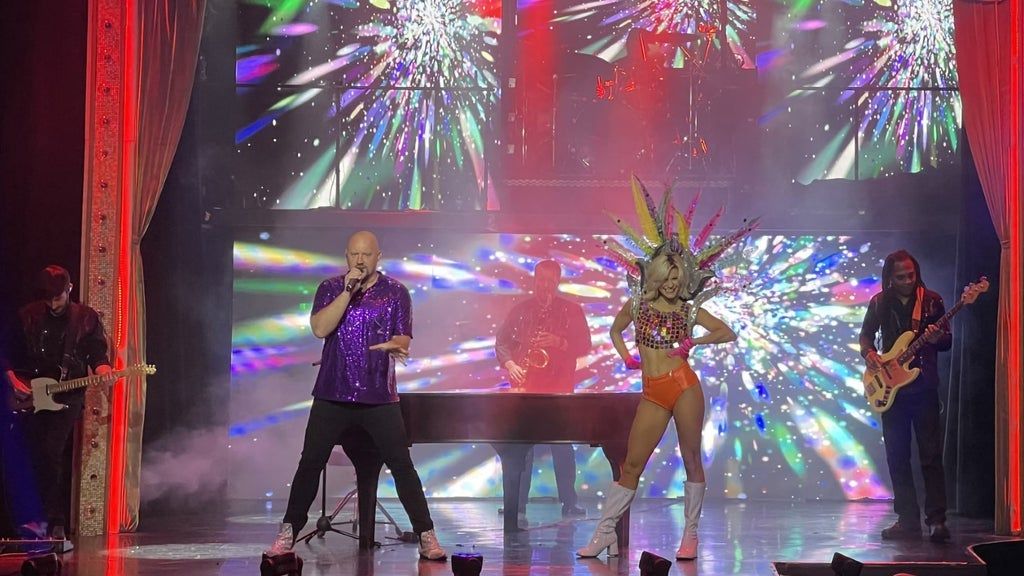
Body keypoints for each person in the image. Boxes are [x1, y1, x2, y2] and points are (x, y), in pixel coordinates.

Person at [266, 231, 446, 561]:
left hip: (379, 396)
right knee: (310, 463)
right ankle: (288, 532)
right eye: (354, 254)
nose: (360, 261)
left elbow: (404, 339)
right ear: (346, 256)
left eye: (366, 255)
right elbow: (320, 329)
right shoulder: (330, 288)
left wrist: (395, 346)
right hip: (332, 393)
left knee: (402, 466)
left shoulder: (396, 292)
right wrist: (347, 292)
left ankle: (426, 534)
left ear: (378, 257)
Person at [576, 251, 736, 560]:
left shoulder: (688, 310)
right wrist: (627, 357)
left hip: (684, 386)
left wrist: (694, 342)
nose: (672, 284)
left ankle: (690, 535)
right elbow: (615, 330)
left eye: (676, 279)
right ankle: (605, 532)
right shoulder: (638, 306)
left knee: (691, 458)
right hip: (653, 392)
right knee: (631, 465)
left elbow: (726, 332)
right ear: (656, 279)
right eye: (666, 279)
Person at [1, 265, 112, 542]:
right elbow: (8, 352)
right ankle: (28, 521)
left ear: (69, 289)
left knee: (51, 451)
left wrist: (103, 369)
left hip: (67, 395)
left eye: (58, 298)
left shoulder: (85, 318)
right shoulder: (28, 315)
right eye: (48, 299)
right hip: (30, 394)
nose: (53, 305)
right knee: (30, 454)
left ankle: (54, 520)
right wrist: (13, 380)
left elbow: (96, 352)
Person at [859, 249, 951, 542]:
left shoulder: (932, 301)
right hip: (891, 390)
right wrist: (869, 353)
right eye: (901, 277)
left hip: (923, 387)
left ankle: (937, 520)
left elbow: (947, 341)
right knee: (897, 457)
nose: (908, 281)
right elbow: (866, 335)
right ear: (890, 277)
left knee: (931, 456)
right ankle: (907, 520)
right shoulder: (879, 302)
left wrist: (937, 337)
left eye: (911, 275)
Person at [494, 260, 592, 523]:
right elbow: (502, 341)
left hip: (559, 387)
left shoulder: (572, 310)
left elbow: (585, 345)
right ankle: (517, 504)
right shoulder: (521, 310)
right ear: (534, 280)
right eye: (540, 279)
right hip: (527, 386)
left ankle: (569, 502)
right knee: (522, 448)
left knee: (562, 446)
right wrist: (511, 364)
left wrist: (559, 342)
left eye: (550, 280)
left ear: (557, 282)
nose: (544, 285)